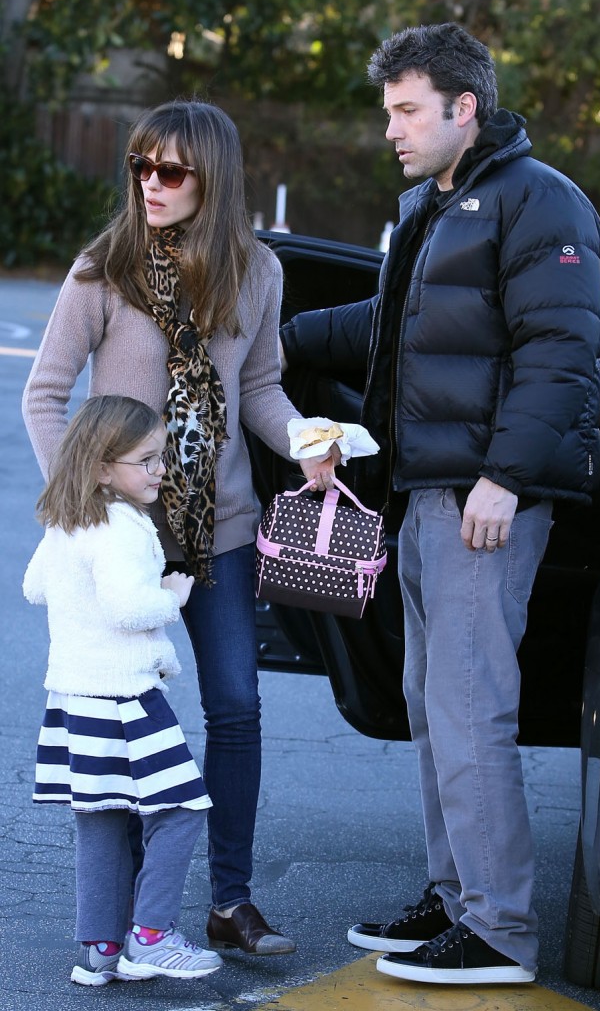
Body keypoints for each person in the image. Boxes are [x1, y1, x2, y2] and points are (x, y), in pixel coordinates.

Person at [279, 23, 600, 985]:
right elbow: (391, 328)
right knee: (434, 705)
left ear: (466, 108)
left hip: (480, 502)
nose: (392, 129)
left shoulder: (541, 203)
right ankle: (455, 891)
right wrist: (276, 337)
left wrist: (503, 479)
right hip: (424, 497)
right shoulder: (436, 204)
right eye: (389, 112)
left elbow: (562, 354)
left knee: (470, 712)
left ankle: (499, 928)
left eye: (406, 110)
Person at [22, 99, 337, 957]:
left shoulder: (257, 272)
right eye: (139, 167)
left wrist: (307, 441)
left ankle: (230, 902)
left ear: (213, 176)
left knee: (236, 707)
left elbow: (261, 391)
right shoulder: (104, 269)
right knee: (127, 715)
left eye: (169, 170)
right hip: (121, 536)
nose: (148, 184)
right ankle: (126, 911)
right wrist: (83, 500)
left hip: (221, 530)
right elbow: (45, 394)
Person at [23, 395, 223, 985]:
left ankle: (102, 950)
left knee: (102, 818)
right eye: (147, 460)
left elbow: (36, 587)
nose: (161, 470)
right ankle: (152, 937)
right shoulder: (121, 525)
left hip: (75, 697)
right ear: (104, 467)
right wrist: (172, 595)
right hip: (125, 698)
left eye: (160, 457)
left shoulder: (70, 518)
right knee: (182, 807)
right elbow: (129, 606)